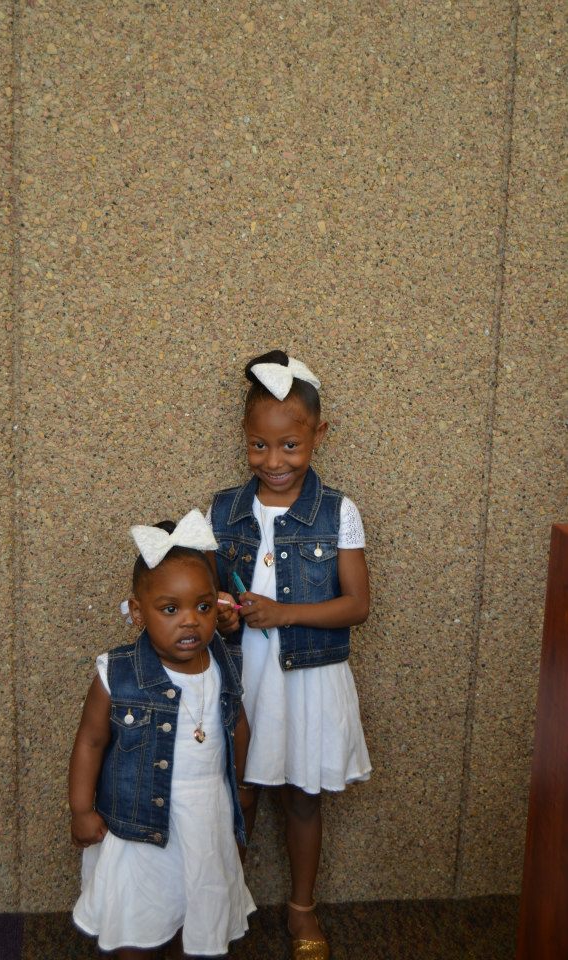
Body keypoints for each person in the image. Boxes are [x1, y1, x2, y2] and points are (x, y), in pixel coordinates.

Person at [208, 350, 371, 960]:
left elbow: (356, 605)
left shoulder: (337, 511)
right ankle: (223, 902)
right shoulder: (223, 510)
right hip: (243, 675)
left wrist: (285, 613)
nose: (273, 461)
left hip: (309, 680)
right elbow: (210, 597)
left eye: (290, 446)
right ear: (245, 439)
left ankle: (302, 905)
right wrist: (224, 613)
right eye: (259, 445)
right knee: (240, 792)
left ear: (318, 436)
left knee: (303, 796)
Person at [69, 509, 255, 959]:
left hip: (206, 815)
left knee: (196, 911)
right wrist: (81, 808)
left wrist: (242, 788)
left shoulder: (223, 662)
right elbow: (90, 742)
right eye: (170, 609)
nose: (189, 621)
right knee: (140, 917)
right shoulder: (117, 673)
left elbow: (237, 723)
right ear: (138, 612)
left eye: (202, 607)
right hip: (138, 824)